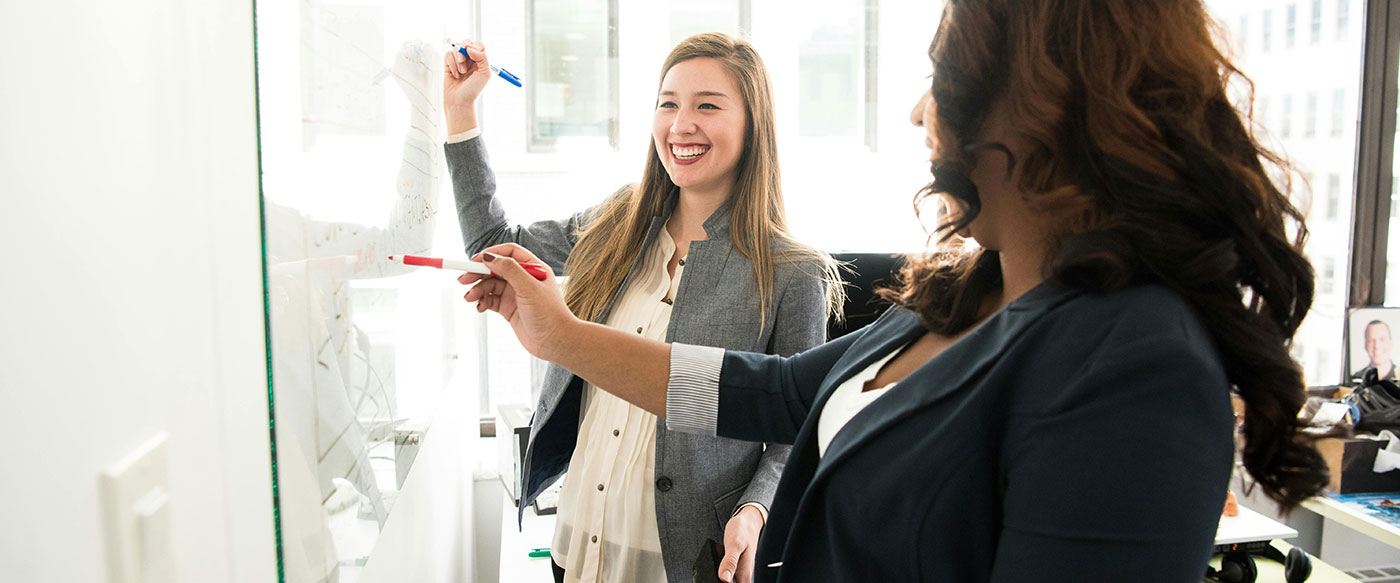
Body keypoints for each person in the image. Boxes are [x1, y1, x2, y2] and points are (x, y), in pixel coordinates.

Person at [458, 1, 1332, 581]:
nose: (918, 112)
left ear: (1042, 103)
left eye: (941, 76)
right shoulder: (958, 295)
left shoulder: (1134, 361)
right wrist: (560, 336)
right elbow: (777, 391)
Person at [442, 33, 840, 583]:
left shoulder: (792, 271)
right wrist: (460, 111)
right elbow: (493, 243)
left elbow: (799, 428)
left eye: (707, 106)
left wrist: (756, 510)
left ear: (754, 125)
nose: (681, 124)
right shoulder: (619, 221)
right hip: (576, 544)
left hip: (681, 559)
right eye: (668, 103)